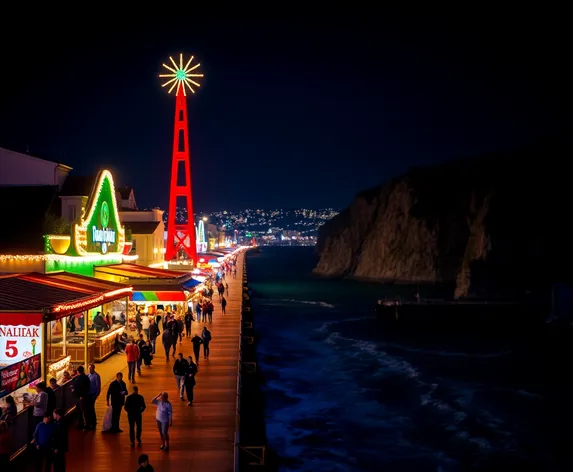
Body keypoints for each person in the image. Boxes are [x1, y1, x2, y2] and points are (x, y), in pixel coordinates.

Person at [70, 366, 90, 430]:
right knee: (82, 411)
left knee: (82, 411)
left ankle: (85, 424)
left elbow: (80, 387)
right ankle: (83, 424)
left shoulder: (80, 378)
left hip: (80, 397)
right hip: (82, 396)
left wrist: (74, 390)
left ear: (78, 371)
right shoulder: (86, 377)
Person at [86, 364, 101, 430]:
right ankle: (90, 422)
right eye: (89, 368)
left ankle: (93, 422)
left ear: (93, 369)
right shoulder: (88, 375)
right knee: (88, 409)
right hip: (88, 394)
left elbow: (98, 387)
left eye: (90, 368)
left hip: (92, 394)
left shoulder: (96, 376)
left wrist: (96, 395)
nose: (89, 370)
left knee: (91, 409)